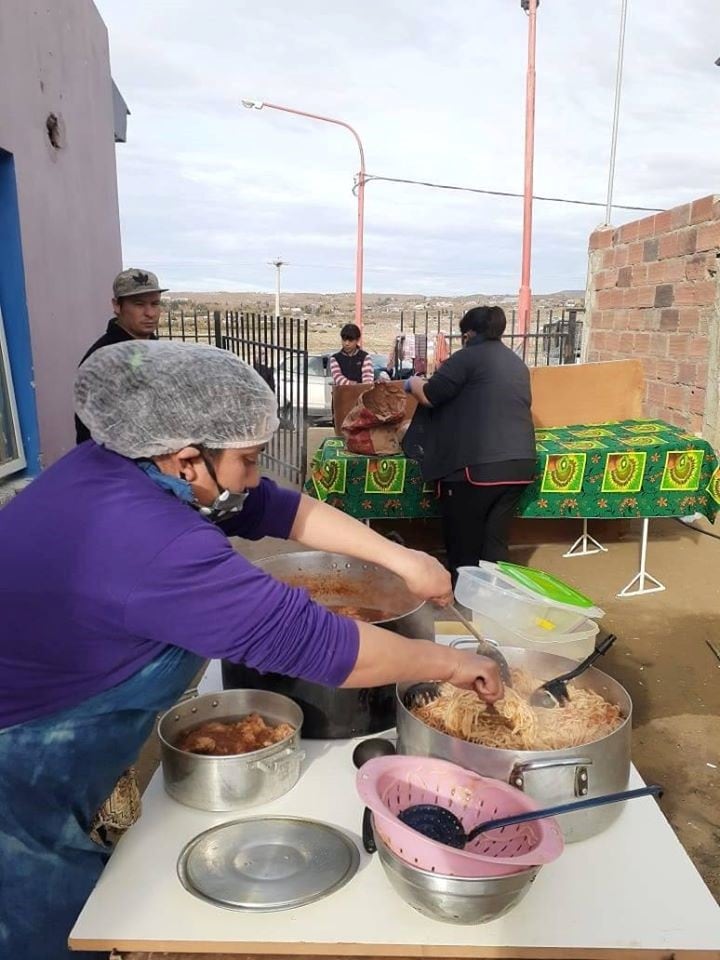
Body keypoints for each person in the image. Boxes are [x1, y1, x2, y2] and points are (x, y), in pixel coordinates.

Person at [0, 340, 503, 960]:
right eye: (250, 458)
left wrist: (403, 559)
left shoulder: (118, 464)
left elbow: (274, 506)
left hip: (45, 714)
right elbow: (322, 646)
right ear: (188, 460)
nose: (257, 475)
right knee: (46, 924)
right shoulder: (152, 543)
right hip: (14, 763)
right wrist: (454, 662)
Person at [403, 305, 536, 582]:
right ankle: (493, 601)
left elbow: (430, 395)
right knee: (494, 542)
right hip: (520, 466)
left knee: (464, 541)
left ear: (470, 333)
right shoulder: (516, 364)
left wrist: (412, 382)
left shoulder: (468, 358)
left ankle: (463, 601)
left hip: (477, 469)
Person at [74, 267, 167, 443]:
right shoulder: (103, 359)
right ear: (117, 306)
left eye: (155, 303)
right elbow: (97, 429)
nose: (150, 313)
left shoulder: (157, 350)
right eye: (139, 304)